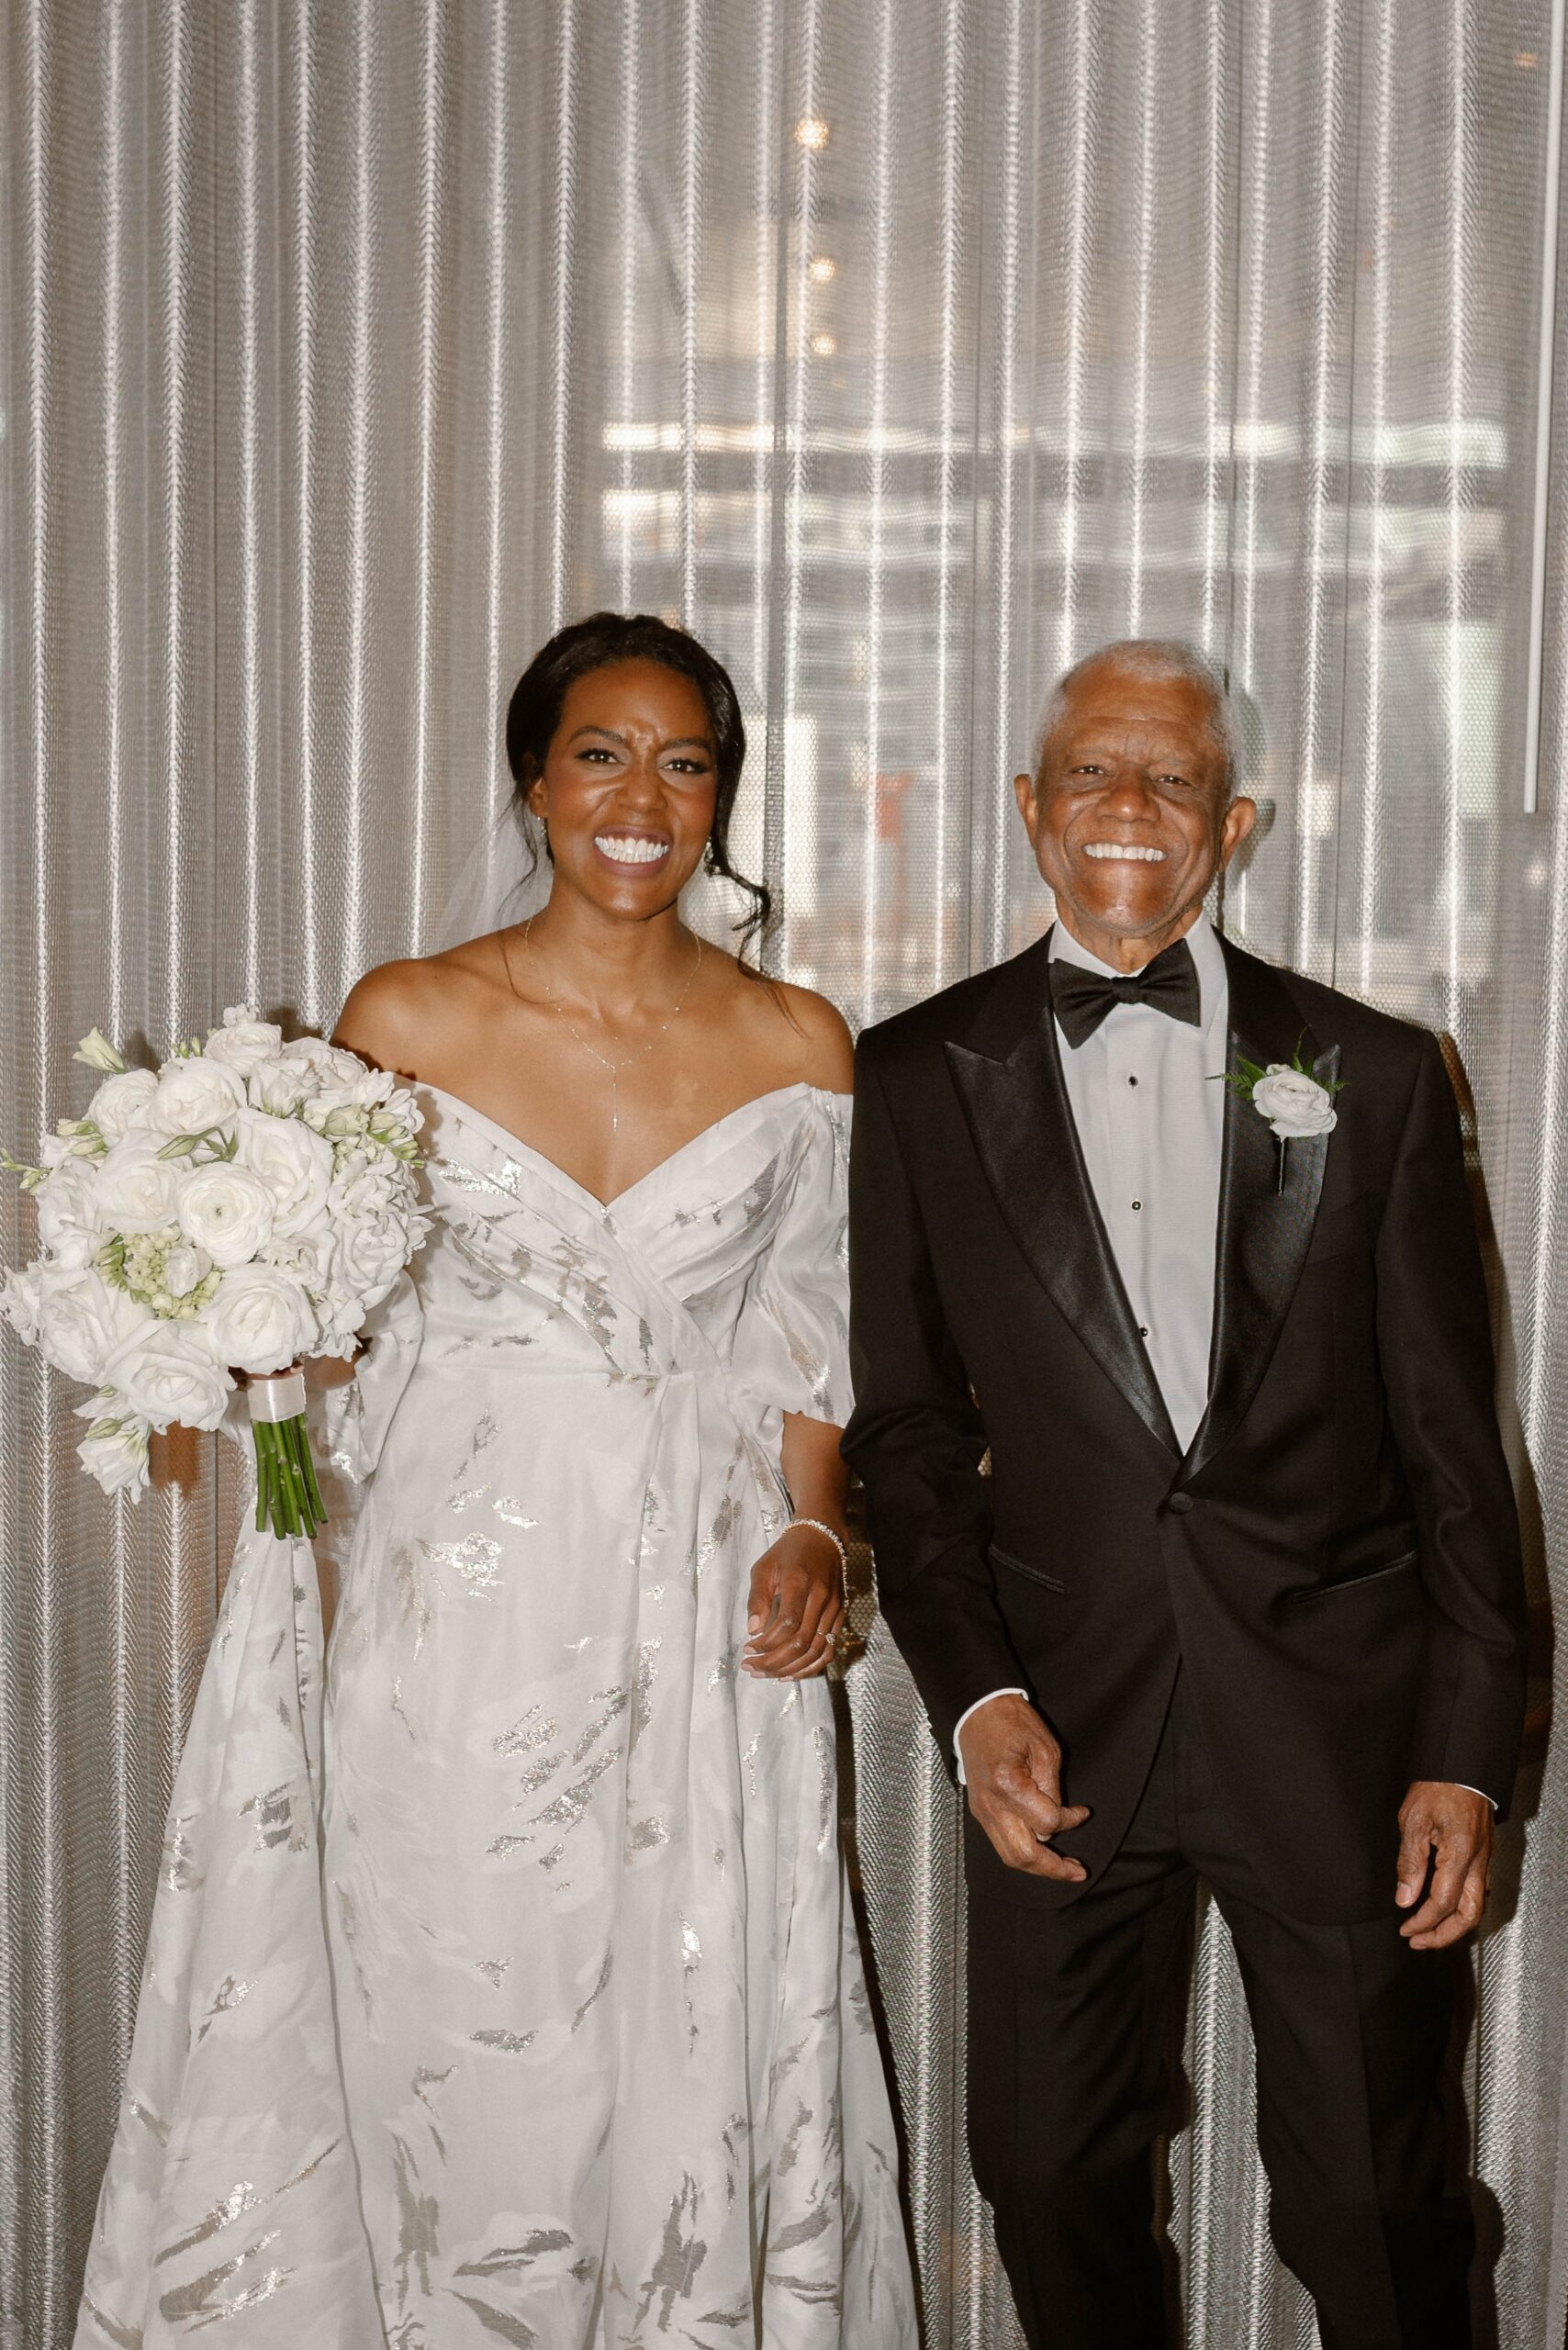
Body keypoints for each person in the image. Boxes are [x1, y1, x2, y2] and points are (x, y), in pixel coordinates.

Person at [76, 613, 917, 2348]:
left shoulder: (801, 1041)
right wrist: (223, 1322)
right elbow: (338, 1333)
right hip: (452, 1616)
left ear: (720, 800)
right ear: (535, 781)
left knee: (675, 2037)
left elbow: (809, 1346)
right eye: (601, 754)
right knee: (455, 2028)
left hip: (699, 1610)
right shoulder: (410, 1013)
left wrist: (816, 1532)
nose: (642, 798)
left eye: (686, 764)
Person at [843, 639, 1528, 2350]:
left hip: (1342, 1734)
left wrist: (1465, 1746)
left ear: (1233, 821)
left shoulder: (1377, 1071)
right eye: (1091, 772)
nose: (1127, 810)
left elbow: (1461, 1447)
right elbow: (910, 1431)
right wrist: (977, 1695)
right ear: (1027, 806)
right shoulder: (917, 1072)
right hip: (1062, 1729)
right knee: (1047, 2172)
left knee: (1378, 2198)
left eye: (1169, 779)